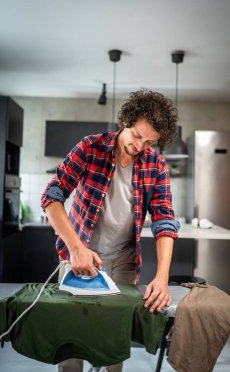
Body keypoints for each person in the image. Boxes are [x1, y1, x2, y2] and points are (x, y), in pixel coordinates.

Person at [41, 89, 180, 372]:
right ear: (125, 121)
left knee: (113, 342)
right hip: (78, 256)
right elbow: (52, 196)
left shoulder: (156, 165)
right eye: (137, 136)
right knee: (72, 339)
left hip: (124, 260)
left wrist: (162, 277)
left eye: (150, 141)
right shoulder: (90, 148)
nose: (140, 145)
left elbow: (165, 220)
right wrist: (76, 248)